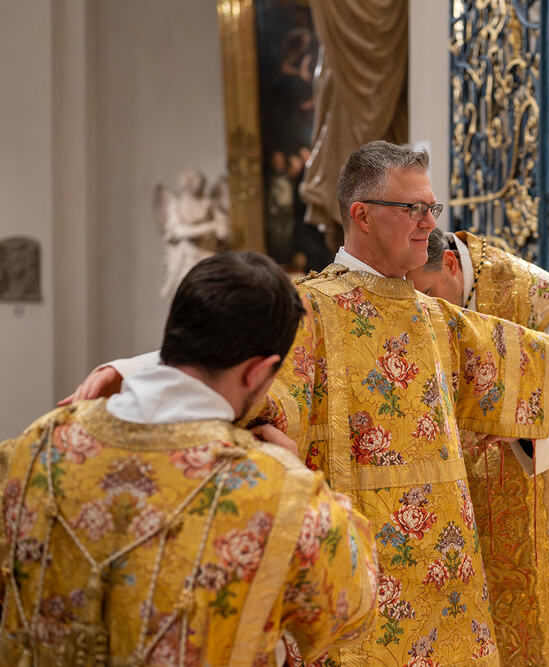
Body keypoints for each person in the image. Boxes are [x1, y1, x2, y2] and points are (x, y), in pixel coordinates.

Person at [65, 141, 549, 666]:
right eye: (412, 209)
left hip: (446, 573)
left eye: (432, 208)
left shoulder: (432, 316)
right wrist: (130, 370)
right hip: (363, 571)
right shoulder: (310, 309)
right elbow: (219, 354)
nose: (429, 224)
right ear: (361, 213)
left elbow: (508, 356)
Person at [0, 252, 378, 665]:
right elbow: (351, 609)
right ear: (259, 371)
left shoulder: (34, 445)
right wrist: (301, 474)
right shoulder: (282, 494)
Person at [407, 228, 549, 666]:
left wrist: (523, 430)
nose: (429, 310)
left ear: (450, 265)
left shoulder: (530, 295)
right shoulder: (416, 301)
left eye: (431, 293)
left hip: (539, 495)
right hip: (461, 498)